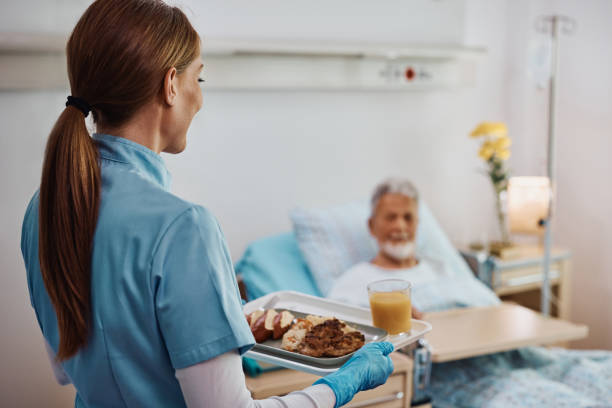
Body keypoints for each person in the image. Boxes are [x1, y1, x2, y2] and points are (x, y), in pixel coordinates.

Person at [20, 1, 393, 407]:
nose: (200, 97)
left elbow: (64, 367)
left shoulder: (46, 206)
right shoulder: (184, 228)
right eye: (200, 77)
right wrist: (338, 386)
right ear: (171, 85)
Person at [328, 179, 456, 317]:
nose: (400, 226)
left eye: (408, 217)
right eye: (391, 217)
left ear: (417, 224)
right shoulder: (351, 283)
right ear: (371, 226)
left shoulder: (441, 269)